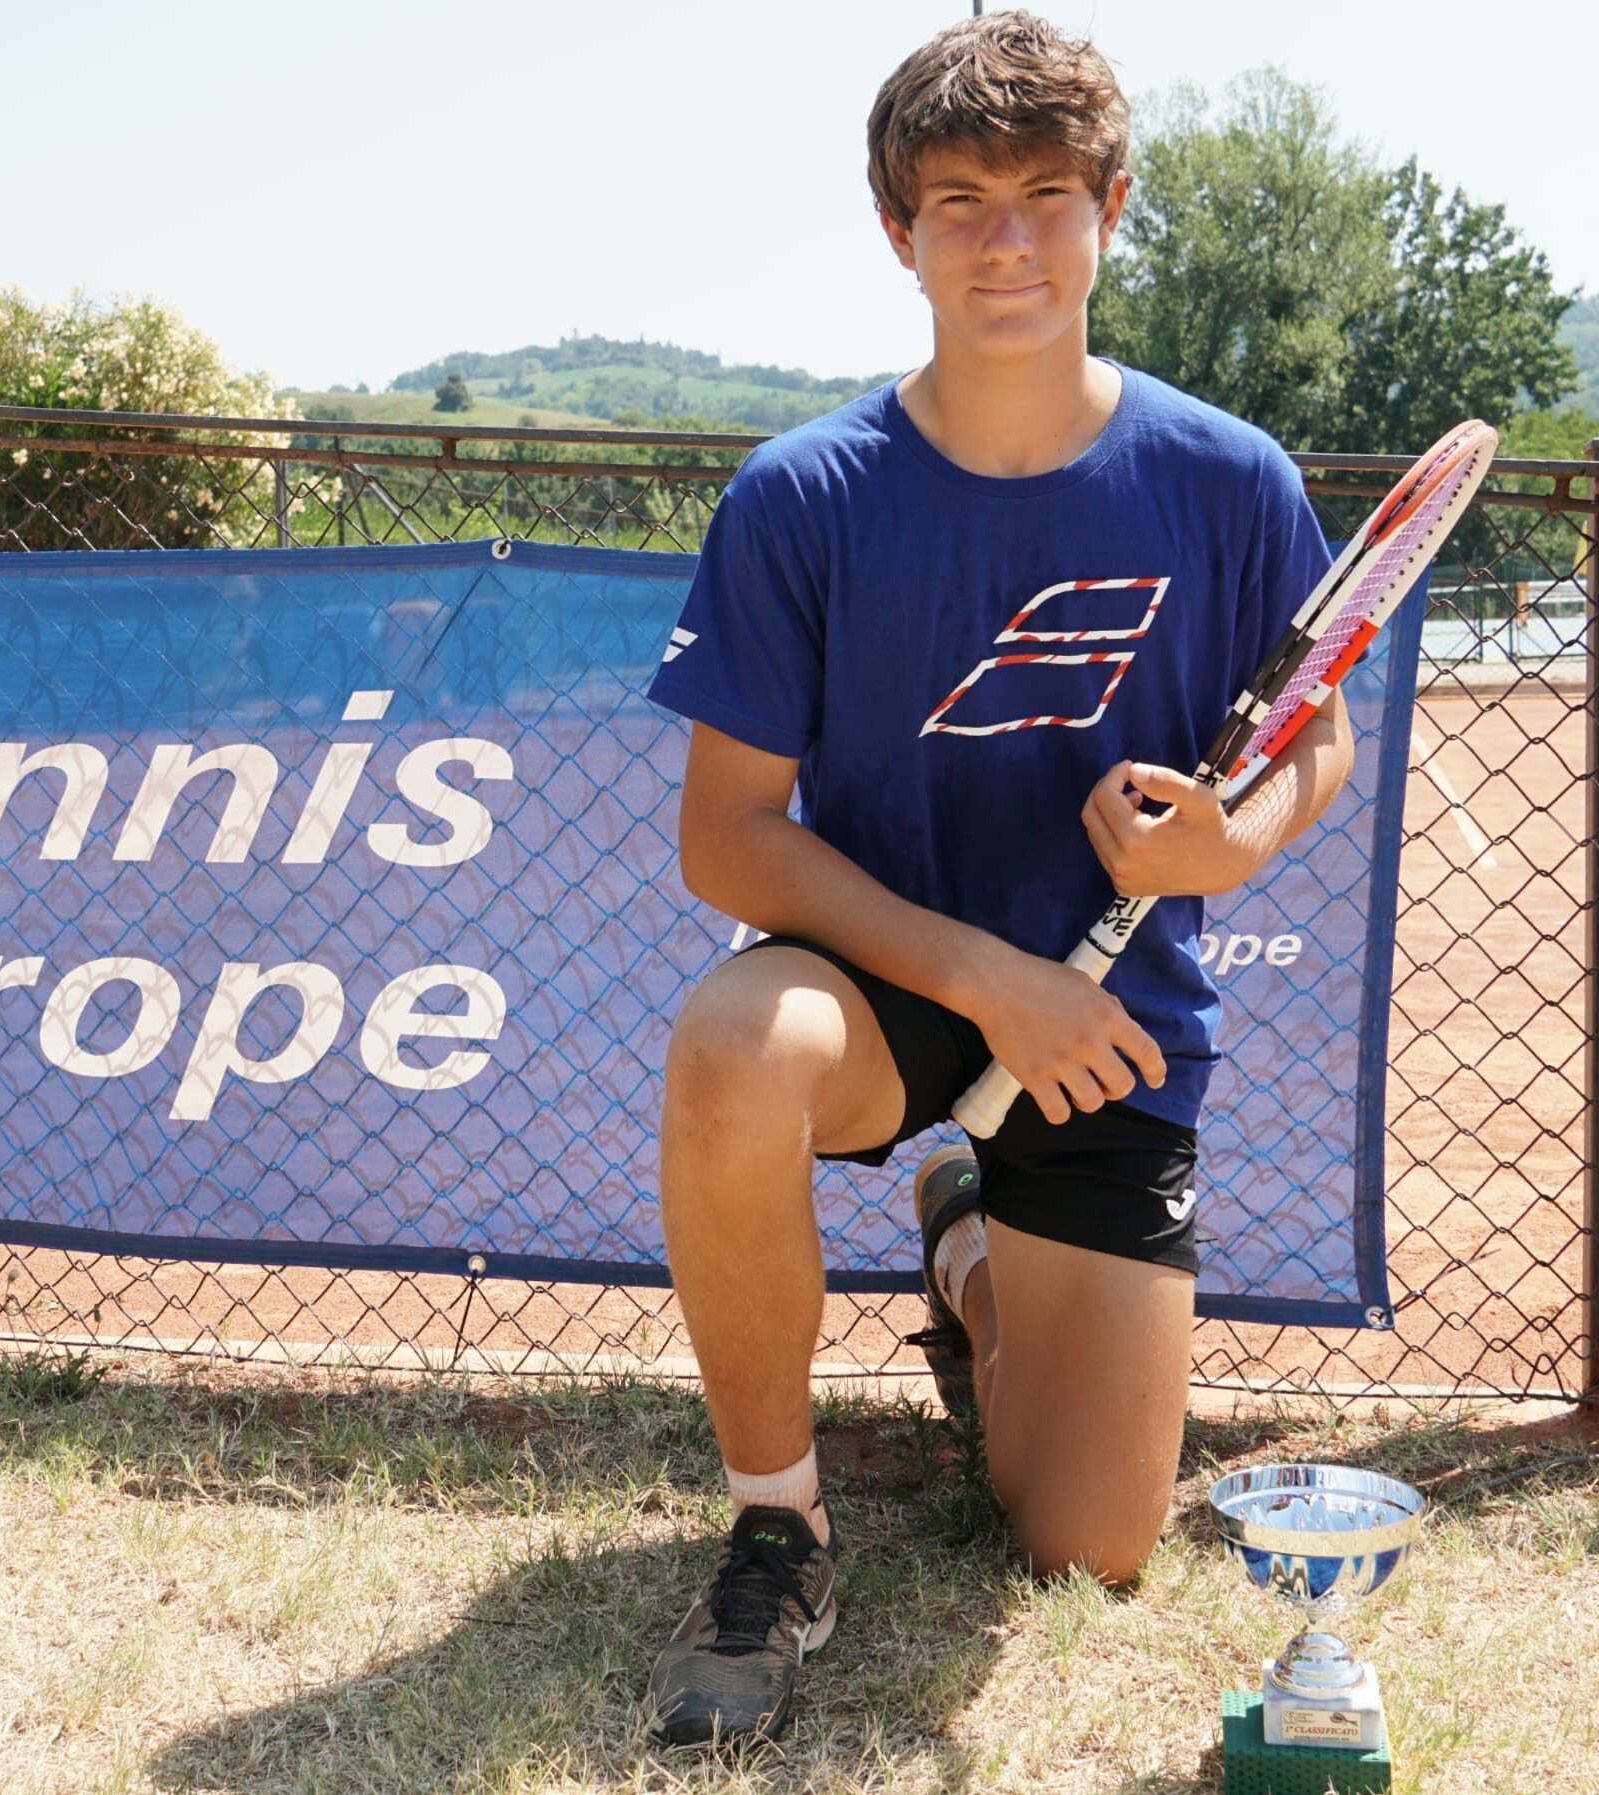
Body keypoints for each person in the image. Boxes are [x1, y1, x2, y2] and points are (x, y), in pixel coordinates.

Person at [641, 9, 1354, 1747]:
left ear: (1112, 209)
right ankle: (775, 1523)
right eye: (958, 200)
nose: (1007, 238)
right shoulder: (804, 494)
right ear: (900, 234)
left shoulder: (1227, 478)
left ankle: (965, 1250)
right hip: (881, 995)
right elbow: (724, 836)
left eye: (1047, 193)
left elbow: (1314, 742)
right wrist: (986, 983)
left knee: (1085, 1548)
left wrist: (1232, 838)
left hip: (1110, 1032)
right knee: (732, 1045)